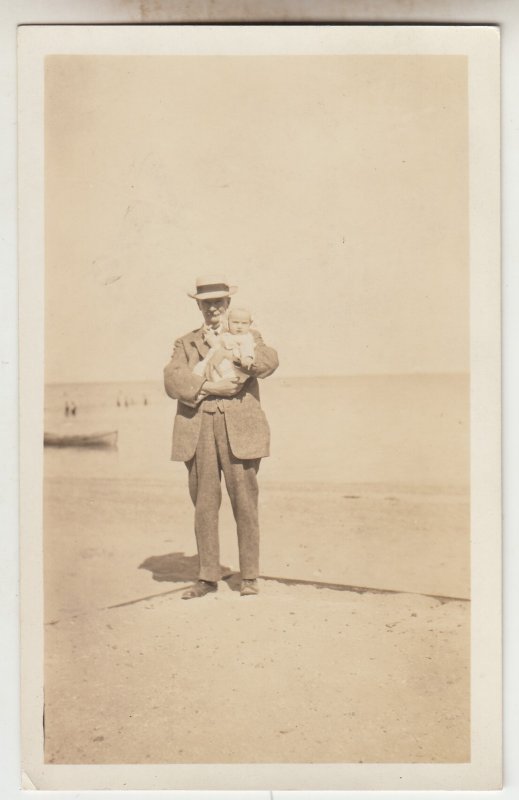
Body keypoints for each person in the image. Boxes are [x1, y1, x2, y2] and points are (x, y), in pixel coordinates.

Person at [164, 275, 279, 599]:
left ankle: (250, 577)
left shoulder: (248, 335)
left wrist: (248, 360)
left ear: (227, 305)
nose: (213, 308)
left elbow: (269, 360)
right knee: (204, 503)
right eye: (207, 303)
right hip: (198, 426)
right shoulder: (185, 343)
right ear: (199, 306)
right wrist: (209, 387)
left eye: (219, 302)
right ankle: (207, 577)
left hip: (240, 429)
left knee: (245, 503)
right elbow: (172, 379)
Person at [192, 306, 255, 386]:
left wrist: (247, 358)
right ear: (228, 322)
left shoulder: (245, 337)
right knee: (199, 370)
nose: (239, 326)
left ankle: (207, 390)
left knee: (221, 377)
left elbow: (247, 348)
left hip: (231, 366)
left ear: (250, 324)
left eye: (244, 323)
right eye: (235, 322)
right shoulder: (226, 335)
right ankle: (200, 388)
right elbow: (215, 344)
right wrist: (208, 335)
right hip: (213, 361)